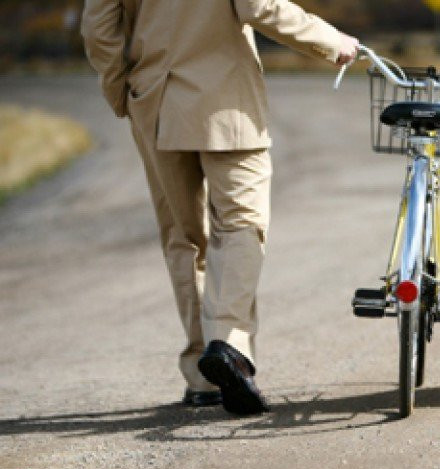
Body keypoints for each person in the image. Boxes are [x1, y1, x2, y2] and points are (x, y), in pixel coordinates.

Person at [81, 0, 359, 415]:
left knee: (184, 236)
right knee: (241, 222)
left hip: (153, 98)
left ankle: (202, 375)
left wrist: (121, 89)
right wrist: (331, 40)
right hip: (228, 99)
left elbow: (98, 27)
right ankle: (228, 343)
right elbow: (259, 6)